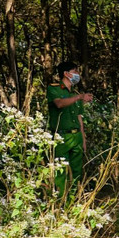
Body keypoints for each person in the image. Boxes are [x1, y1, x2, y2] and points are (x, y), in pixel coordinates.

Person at [47, 61, 93, 196]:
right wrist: (79, 97)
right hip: (61, 137)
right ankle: (61, 200)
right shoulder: (54, 89)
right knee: (61, 170)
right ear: (66, 74)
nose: (78, 74)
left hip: (76, 136)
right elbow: (59, 103)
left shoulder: (75, 93)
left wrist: (83, 138)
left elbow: (79, 117)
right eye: (75, 71)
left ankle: (73, 199)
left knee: (76, 171)